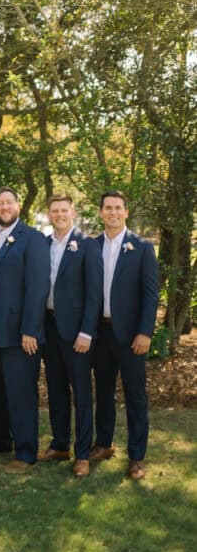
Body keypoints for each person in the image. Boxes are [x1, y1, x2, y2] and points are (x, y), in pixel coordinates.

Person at [91, 190, 158, 480]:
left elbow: (150, 294)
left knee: (135, 396)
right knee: (103, 392)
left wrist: (145, 332)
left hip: (131, 336)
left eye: (118, 208)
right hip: (100, 333)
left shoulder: (142, 247)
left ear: (126, 212)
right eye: (108, 208)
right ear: (101, 212)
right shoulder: (90, 246)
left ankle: (137, 457)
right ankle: (104, 444)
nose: (113, 212)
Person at [0, 187, 50, 472]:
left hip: (20, 332)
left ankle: (26, 452)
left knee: (21, 393)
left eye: (9, 202)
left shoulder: (33, 239)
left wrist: (31, 330)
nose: (4, 206)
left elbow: (38, 288)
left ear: (18, 205)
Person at [38, 194, 103, 477]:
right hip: (49, 328)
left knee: (81, 394)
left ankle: (83, 453)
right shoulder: (43, 244)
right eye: (55, 211)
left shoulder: (87, 245)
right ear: (50, 214)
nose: (60, 215)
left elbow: (94, 294)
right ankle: (60, 443)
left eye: (64, 210)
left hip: (77, 331)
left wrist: (87, 331)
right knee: (55, 389)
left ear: (72, 213)